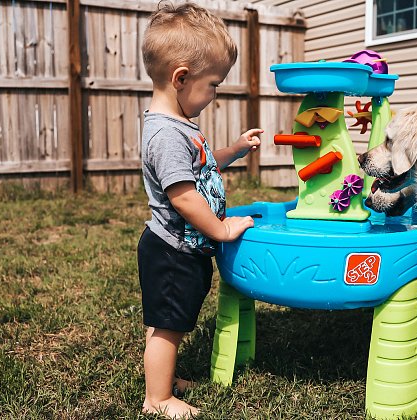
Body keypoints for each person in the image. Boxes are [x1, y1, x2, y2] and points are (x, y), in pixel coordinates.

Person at [137, 2, 261, 417]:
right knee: (168, 327)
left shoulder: (178, 125)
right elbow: (185, 197)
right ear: (181, 78)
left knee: (172, 321)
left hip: (179, 249)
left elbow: (203, 166)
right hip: (173, 251)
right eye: (214, 85)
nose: (214, 95)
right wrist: (222, 230)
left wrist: (236, 149)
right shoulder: (167, 135)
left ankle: (164, 379)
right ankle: (157, 399)